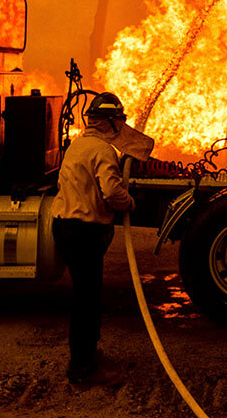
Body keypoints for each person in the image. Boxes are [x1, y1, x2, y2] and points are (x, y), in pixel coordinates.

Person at [51, 91, 151, 384]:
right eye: (119, 122)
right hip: (83, 231)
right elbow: (111, 191)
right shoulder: (103, 151)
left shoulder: (77, 146)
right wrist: (129, 203)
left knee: (88, 295)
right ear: (109, 122)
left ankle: (88, 356)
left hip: (66, 226)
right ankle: (81, 369)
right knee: (87, 300)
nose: (121, 128)